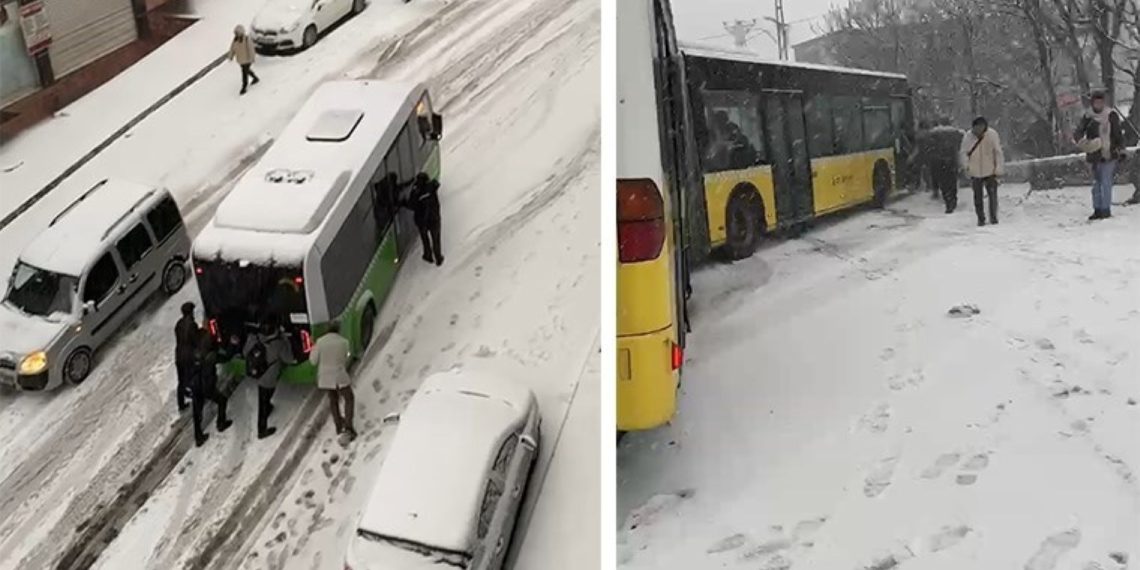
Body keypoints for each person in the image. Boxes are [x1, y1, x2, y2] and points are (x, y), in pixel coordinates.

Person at [1074, 90, 1126, 220]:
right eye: (1096, 102)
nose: (1099, 104)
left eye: (1101, 101)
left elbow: (1118, 134)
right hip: (1094, 154)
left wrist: (1121, 149)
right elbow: (1078, 132)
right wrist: (1083, 142)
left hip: (1110, 153)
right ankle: (1097, 209)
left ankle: (1105, 209)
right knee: (1096, 183)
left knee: (1106, 182)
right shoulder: (1088, 116)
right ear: (1092, 103)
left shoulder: (1111, 115)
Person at [244, 318, 295, 438]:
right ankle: (261, 430)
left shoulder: (254, 338)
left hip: (257, 372)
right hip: (269, 377)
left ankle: (267, 408)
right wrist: (285, 340)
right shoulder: (278, 344)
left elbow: (245, 352)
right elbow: (289, 358)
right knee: (264, 399)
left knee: (264, 396)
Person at [310, 321, 356, 441]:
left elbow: (313, 361)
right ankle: (349, 426)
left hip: (325, 377)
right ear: (338, 329)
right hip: (339, 375)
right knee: (349, 398)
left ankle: (338, 425)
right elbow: (347, 356)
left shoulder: (320, 342)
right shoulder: (344, 342)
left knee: (333, 400)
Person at [190, 328, 233, 447]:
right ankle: (221, 423)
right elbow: (226, 358)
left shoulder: (195, 352)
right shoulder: (212, 355)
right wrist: (232, 345)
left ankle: (198, 437)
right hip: (207, 386)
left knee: (197, 412)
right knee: (222, 400)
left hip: (195, 385)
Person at [959, 116, 1005, 226]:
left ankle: (993, 217)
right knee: (977, 197)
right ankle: (981, 218)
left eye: (980, 127)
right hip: (975, 171)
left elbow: (998, 152)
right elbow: (964, 152)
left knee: (992, 195)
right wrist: (966, 166)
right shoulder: (968, 137)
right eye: (976, 128)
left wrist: (998, 168)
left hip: (990, 170)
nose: (978, 130)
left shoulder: (992, 135)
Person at [404, 172, 444, 266]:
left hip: (422, 222)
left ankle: (428, 255)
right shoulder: (431, 187)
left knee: (425, 239)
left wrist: (403, 203)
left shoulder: (416, 192)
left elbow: (411, 205)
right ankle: (438, 258)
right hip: (435, 218)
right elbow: (436, 184)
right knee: (436, 238)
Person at [929, 117, 965, 213]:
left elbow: (930, 147)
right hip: (952, 160)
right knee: (952, 181)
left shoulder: (934, 133)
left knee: (944, 182)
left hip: (939, 162)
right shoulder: (956, 133)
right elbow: (961, 145)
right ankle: (953, 199)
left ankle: (948, 201)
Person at [174, 302, 199, 412]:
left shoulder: (178, 324)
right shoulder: (192, 325)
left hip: (178, 355)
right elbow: (195, 341)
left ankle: (181, 403)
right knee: (192, 376)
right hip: (188, 356)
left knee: (181, 380)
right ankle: (196, 396)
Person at [228, 25, 260, 96]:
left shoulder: (246, 39)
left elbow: (251, 49)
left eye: (237, 33)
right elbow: (232, 49)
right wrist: (230, 56)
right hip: (241, 60)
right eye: (235, 33)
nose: (236, 34)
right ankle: (255, 78)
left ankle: (244, 86)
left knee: (244, 73)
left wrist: (252, 58)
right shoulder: (235, 40)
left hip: (247, 60)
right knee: (246, 71)